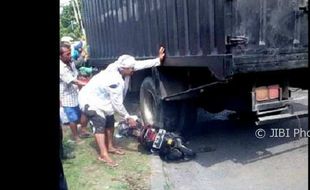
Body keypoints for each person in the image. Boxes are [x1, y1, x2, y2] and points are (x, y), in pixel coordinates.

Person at [78, 47, 165, 167]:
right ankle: (103, 154)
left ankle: (110, 146)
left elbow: (139, 65)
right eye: (131, 69)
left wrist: (157, 60)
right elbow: (117, 104)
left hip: (102, 99)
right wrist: (128, 117)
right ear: (123, 69)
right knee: (100, 122)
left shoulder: (119, 66)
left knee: (110, 121)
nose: (133, 71)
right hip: (89, 99)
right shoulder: (115, 81)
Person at [60, 42, 92, 142]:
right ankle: (76, 137)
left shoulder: (71, 62)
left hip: (77, 93)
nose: (70, 56)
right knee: (72, 118)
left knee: (84, 112)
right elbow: (72, 80)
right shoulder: (61, 68)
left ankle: (83, 130)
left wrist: (81, 77)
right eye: (67, 54)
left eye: (70, 53)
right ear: (60, 56)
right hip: (67, 96)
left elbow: (76, 75)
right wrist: (87, 84)